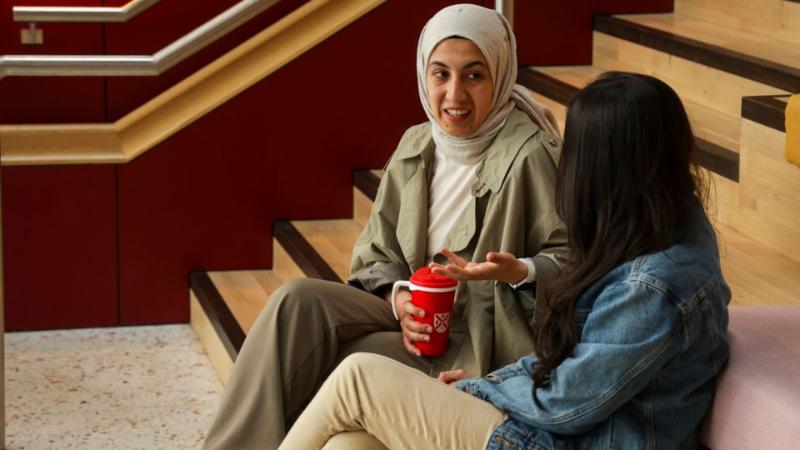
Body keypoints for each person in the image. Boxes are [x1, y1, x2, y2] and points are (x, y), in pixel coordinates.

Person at [279, 71, 732, 450]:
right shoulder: (668, 224)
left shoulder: (653, 285)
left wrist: (481, 386)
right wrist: (495, 380)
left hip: (563, 440)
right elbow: (576, 372)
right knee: (349, 445)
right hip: (558, 427)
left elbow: (568, 402)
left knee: (358, 377)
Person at [203, 4, 566, 449]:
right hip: (410, 323)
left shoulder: (531, 154)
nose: (454, 95)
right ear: (422, 75)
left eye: (474, 75)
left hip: (475, 341)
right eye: (440, 75)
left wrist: (522, 270)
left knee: (326, 375)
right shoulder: (416, 143)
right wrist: (401, 302)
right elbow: (376, 255)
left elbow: (574, 263)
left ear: (501, 74)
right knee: (296, 302)